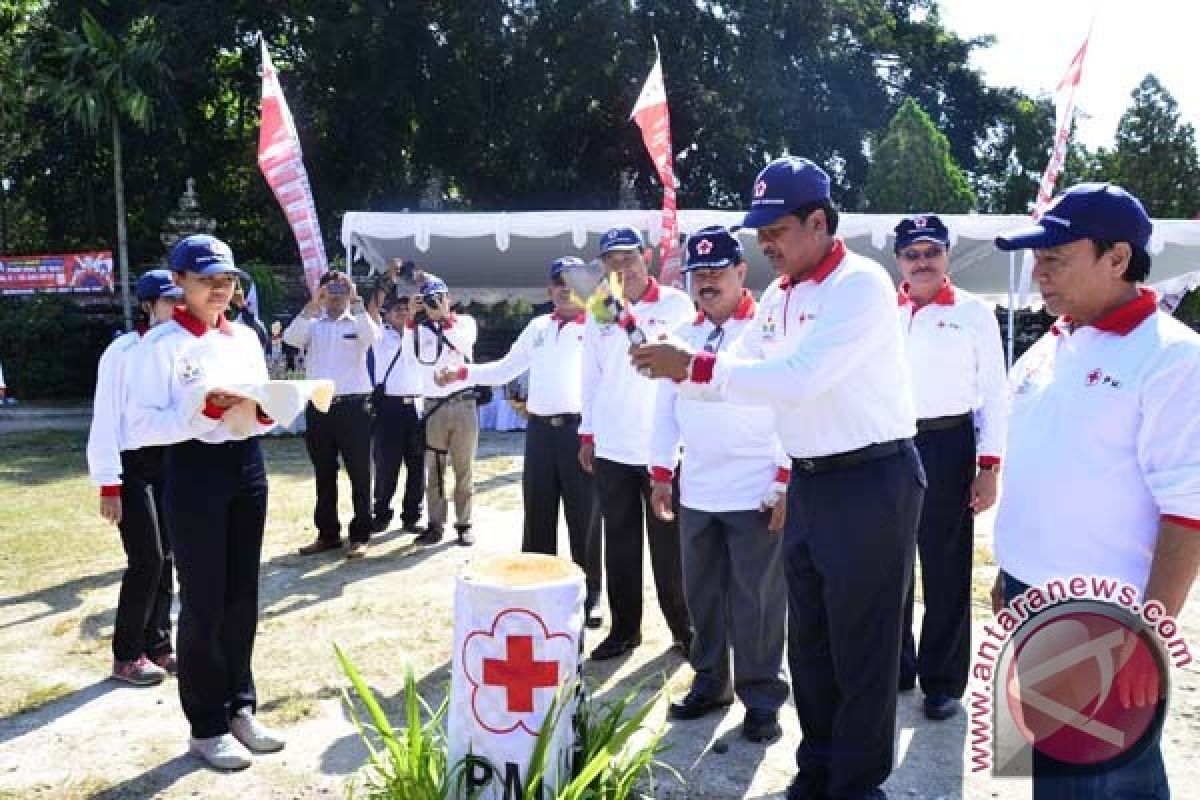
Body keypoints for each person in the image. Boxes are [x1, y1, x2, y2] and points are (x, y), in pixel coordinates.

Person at [632, 157, 923, 800]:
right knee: (811, 644)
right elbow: (739, 378)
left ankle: (855, 784)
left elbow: (795, 378)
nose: (765, 243)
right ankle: (817, 767)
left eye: (776, 229)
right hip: (816, 481)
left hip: (871, 479)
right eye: (759, 231)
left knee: (861, 649)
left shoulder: (860, 285)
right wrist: (675, 372)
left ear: (818, 221)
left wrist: (698, 370)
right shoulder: (782, 298)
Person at [992, 183, 1200, 798]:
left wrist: (1148, 637)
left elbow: (1187, 511)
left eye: (1055, 258)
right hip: (1034, 602)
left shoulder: (1172, 359)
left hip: (1108, 620)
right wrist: (1012, 572)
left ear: (1117, 258)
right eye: (1037, 259)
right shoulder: (1045, 350)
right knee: (1053, 775)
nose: (1040, 274)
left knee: (1106, 780)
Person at [126, 234, 285, 771]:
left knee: (244, 595)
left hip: (247, 465)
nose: (219, 289)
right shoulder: (160, 346)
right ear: (179, 283)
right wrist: (203, 414)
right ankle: (206, 724)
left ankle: (241, 706)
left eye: (227, 279)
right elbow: (142, 424)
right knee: (204, 601)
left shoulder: (244, 337)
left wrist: (265, 410)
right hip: (193, 469)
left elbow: (263, 395)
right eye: (207, 279)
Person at [647, 226, 790, 743]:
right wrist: (662, 472)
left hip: (754, 485)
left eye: (716, 273)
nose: (706, 284)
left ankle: (761, 697)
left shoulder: (768, 330)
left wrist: (783, 475)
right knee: (702, 595)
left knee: (758, 601)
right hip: (699, 485)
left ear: (740, 273)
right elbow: (665, 408)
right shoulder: (681, 336)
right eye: (697, 275)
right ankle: (712, 682)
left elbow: (790, 400)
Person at [436, 256, 604, 626]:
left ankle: (590, 592)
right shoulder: (538, 326)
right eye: (558, 282)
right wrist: (463, 372)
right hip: (541, 431)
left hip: (582, 432)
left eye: (573, 282)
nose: (565, 289)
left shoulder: (599, 325)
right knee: (538, 512)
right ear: (549, 289)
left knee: (585, 517)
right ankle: (537, 587)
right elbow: (506, 368)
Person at [892, 214, 1008, 721]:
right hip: (890, 443)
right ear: (898, 260)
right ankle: (897, 666)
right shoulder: (881, 311)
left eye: (930, 252)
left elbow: (995, 394)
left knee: (944, 566)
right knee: (889, 563)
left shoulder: (973, 312)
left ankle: (941, 681)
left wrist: (989, 465)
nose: (922, 262)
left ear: (946, 256)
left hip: (948, 441)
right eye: (912, 254)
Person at [579, 225, 694, 661]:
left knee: (670, 549)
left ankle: (685, 629)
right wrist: (587, 433)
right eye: (612, 261)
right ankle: (625, 630)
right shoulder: (598, 309)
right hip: (612, 445)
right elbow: (591, 377)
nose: (621, 268)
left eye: (628, 258)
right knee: (620, 545)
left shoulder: (677, 304)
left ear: (645, 256)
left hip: (661, 448)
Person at [86, 269, 182, 686]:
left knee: (168, 559)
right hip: (131, 465)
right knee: (145, 558)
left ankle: (159, 643)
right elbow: (105, 418)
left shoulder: (184, 348)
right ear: (148, 305)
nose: (177, 307)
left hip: (171, 464)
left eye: (182, 299)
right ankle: (126, 655)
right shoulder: (123, 352)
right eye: (168, 300)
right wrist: (109, 482)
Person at [283, 270, 382, 559]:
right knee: (323, 472)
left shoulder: (358, 320)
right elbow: (291, 338)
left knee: (360, 473)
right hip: (320, 405)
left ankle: (361, 534)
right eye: (331, 288)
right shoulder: (313, 324)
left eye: (341, 288)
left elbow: (372, 337)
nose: (336, 294)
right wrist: (314, 303)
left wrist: (356, 299)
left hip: (354, 407)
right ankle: (327, 534)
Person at [411, 274, 479, 546]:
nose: (435, 303)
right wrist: (412, 322)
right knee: (435, 470)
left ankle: (464, 524)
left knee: (464, 469)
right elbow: (411, 359)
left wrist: (445, 318)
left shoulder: (465, 323)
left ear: (449, 298)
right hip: (434, 407)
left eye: (440, 298)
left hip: (463, 403)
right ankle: (435, 524)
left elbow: (464, 344)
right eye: (430, 300)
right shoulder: (420, 330)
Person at [368, 292, 425, 535]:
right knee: (386, 465)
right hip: (389, 407)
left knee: (417, 465)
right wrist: (387, 279)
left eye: (406, 308)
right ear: (387, 315)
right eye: (397, 310)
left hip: (416, 406)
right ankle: (381, 512)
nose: (403, 313)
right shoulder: (380, 335)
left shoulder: (421, 335)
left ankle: (412, 515)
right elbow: (371, 313)